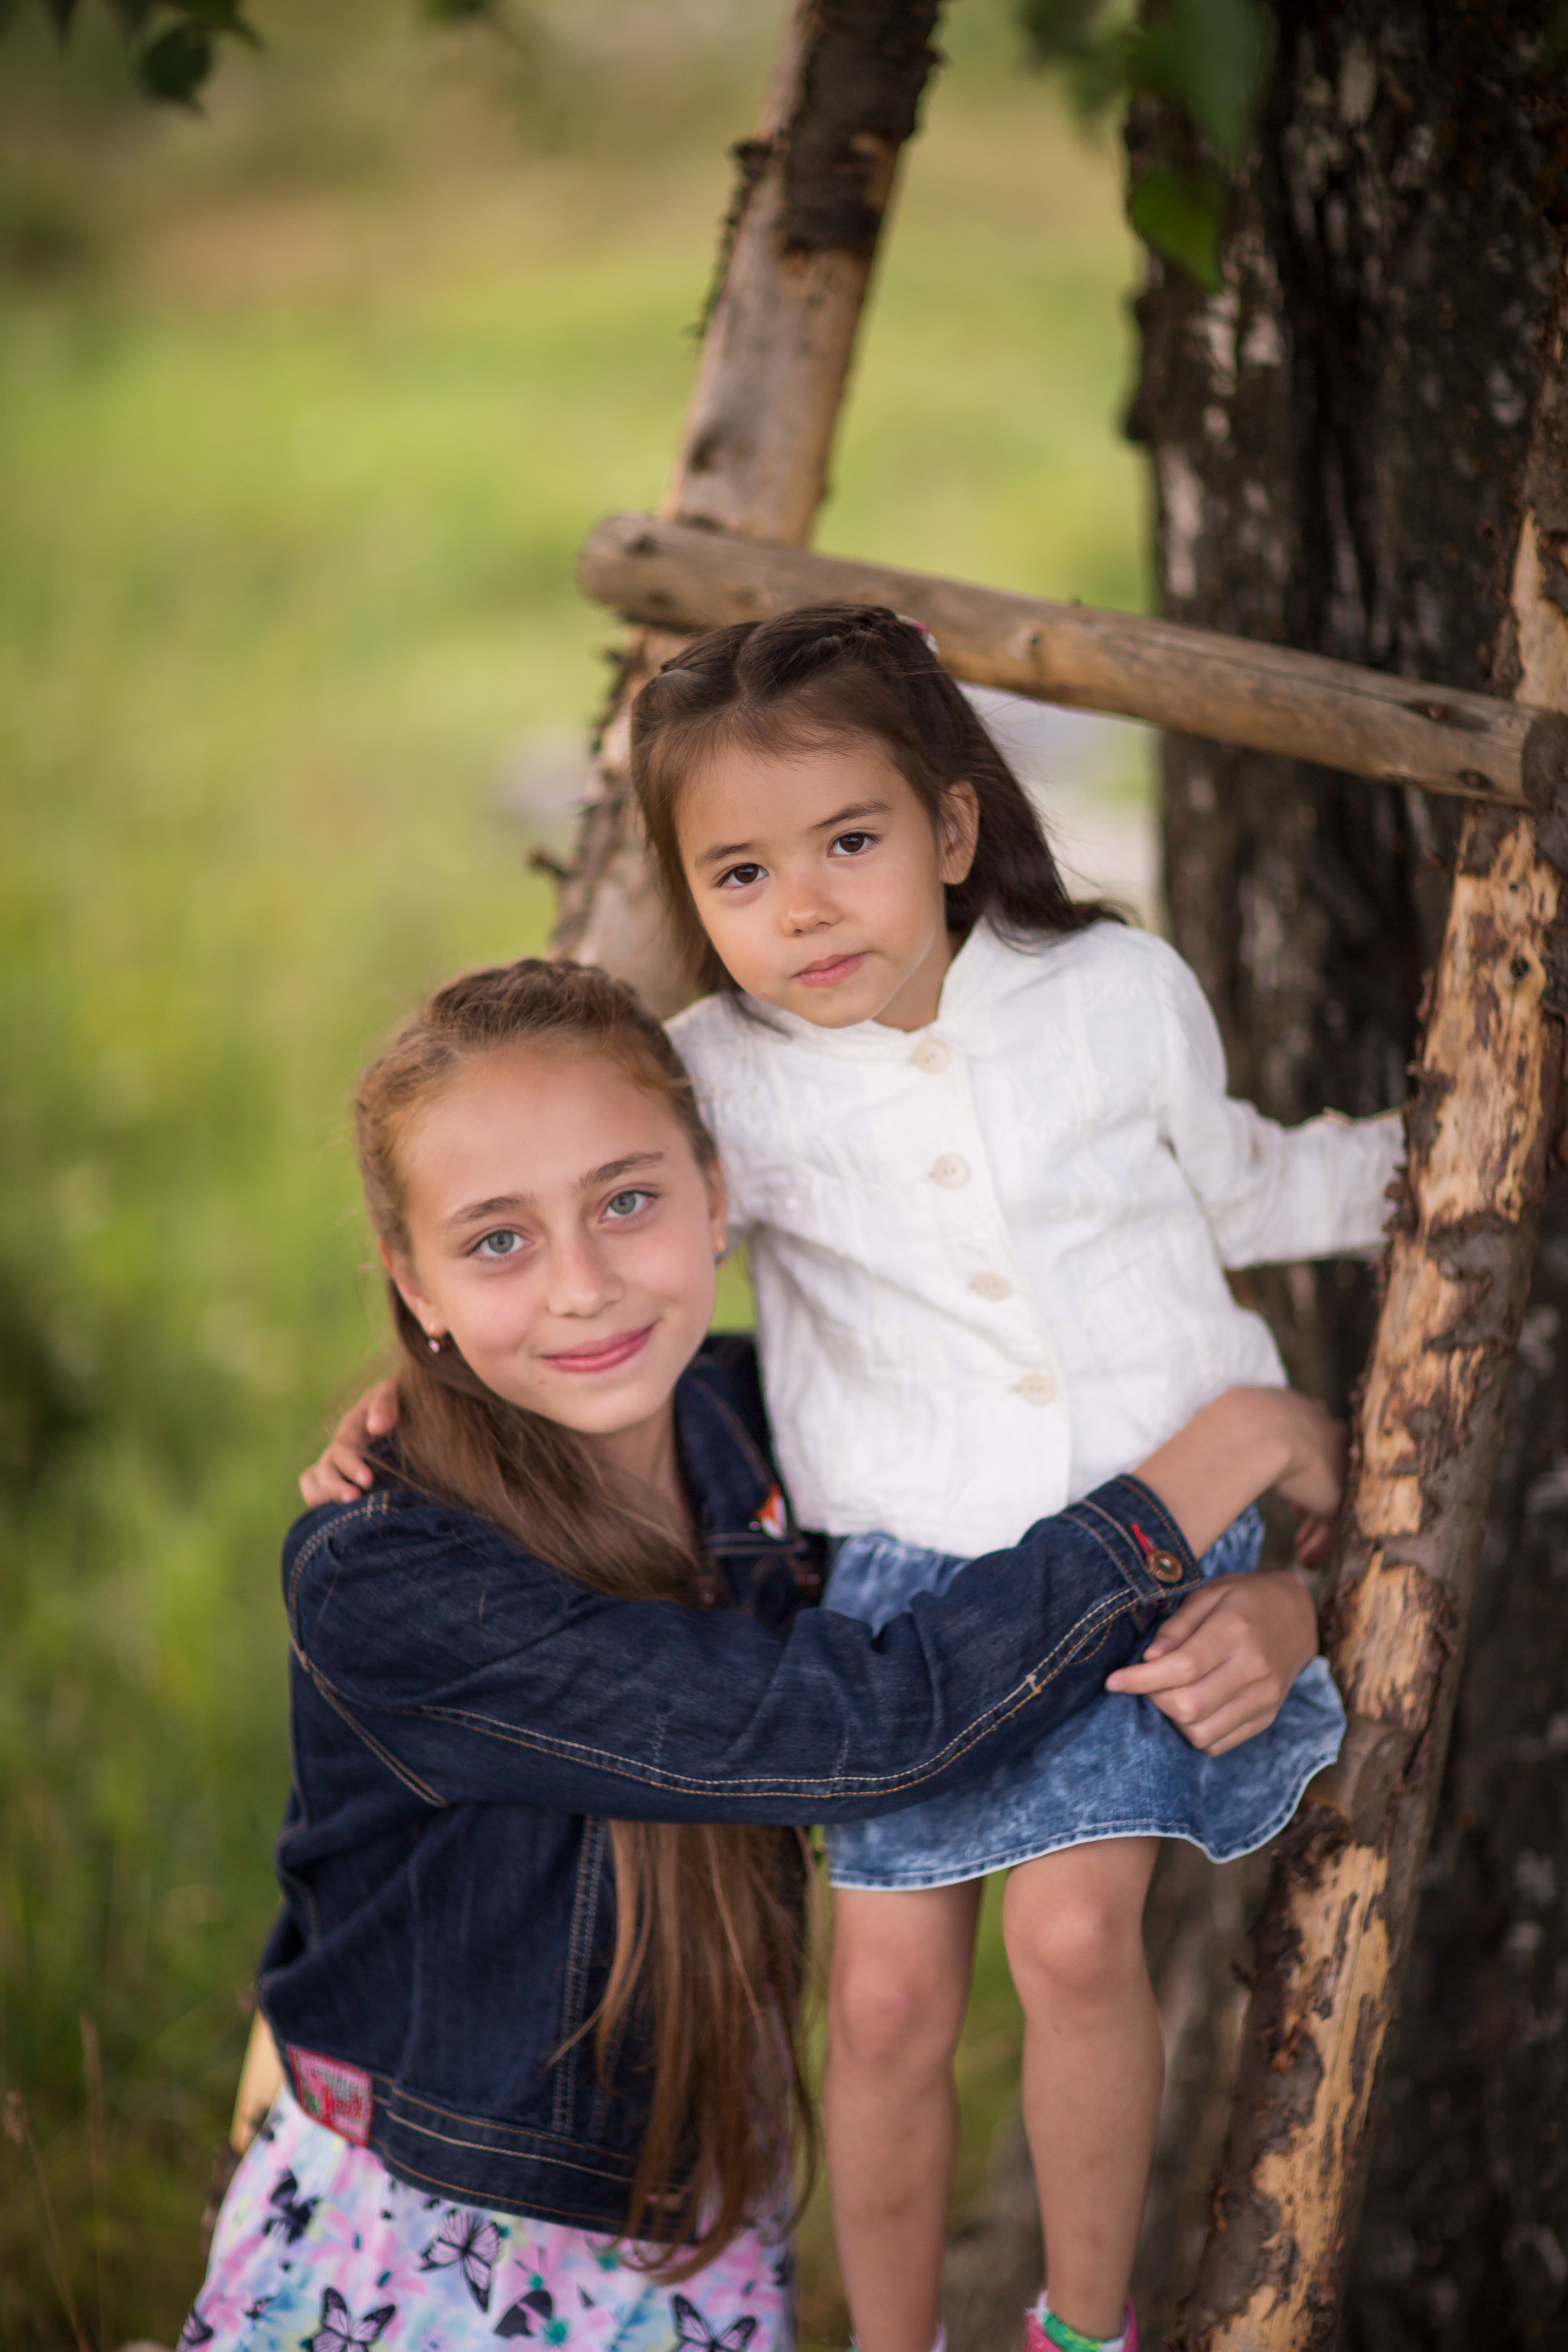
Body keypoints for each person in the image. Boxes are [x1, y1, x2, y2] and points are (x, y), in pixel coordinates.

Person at [208, 956, 1338, 2352]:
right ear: (412, 1284)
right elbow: (864, 1730)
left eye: (627, 1203)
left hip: (702, 2237)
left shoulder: (776, 1436)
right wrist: (1219, 1456)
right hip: (429, 2237)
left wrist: (1286, 1608)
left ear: (717, 1198)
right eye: (496, 1242)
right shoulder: (389, 1576)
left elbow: (1004, 1551)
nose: (581, 1287)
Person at [617, 604, 1407, 2352]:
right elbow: (622, 1278)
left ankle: (1079, 2326)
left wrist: (1449, 1152)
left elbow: (1250, 1191)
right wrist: (417, 1395)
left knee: (1067, 1939)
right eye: (739, 876)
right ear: (692, 892)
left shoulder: (1111, 992)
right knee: (887, 1999)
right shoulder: (715, 1085)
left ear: (953, 828)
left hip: (1162, 1521)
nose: (804, 907)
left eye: (848, 843)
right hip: (908, 1580)